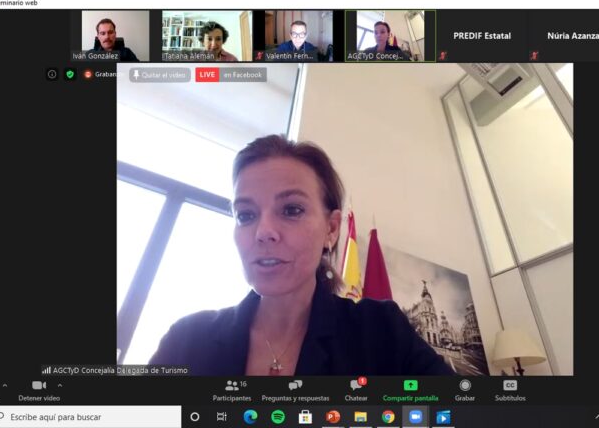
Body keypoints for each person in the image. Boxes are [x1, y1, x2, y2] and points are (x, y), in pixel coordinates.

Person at [149, 135, 454, 376]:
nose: (263, 232)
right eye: (245, 215)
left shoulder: (380, 332)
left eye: (291, 209)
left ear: (331, 229)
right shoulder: (186, 340)